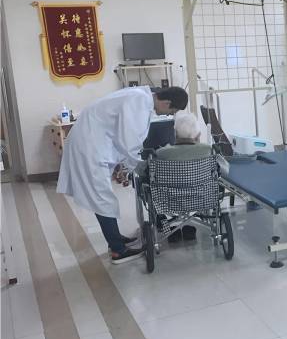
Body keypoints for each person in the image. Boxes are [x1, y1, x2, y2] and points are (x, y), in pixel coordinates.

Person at [57, 86, 188, 264]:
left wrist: (127, 164)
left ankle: (115, 239)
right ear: (166, 102)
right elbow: (129, 142)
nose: (170, 114)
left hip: (93, 144)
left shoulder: (141, 97)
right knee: (102, 199)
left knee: (102, 198)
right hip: (89, 148)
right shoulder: (139, 102)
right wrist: (137, 167)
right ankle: (118, 250)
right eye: (172, 111)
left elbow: (125, 137)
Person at [136, 111, 212, 243]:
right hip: (200, 198)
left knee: (151, 188)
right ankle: (187, 227)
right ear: (198, 134)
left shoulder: (160, 153)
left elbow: (141, 170)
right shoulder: (208, 150)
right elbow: (224, 169)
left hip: (167, 201)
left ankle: (167, 228)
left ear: (175, 133)